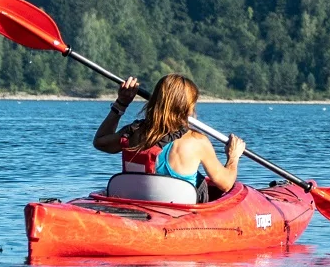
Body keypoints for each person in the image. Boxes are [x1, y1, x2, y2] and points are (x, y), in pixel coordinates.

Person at [93, 74, 245, 203]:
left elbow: (100, 141)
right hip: (179, 217)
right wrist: (233, 157)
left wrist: (121, 104)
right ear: (187, 107)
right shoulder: (196, 142)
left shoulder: (133, 132)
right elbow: (225, 184)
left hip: (139, 207)